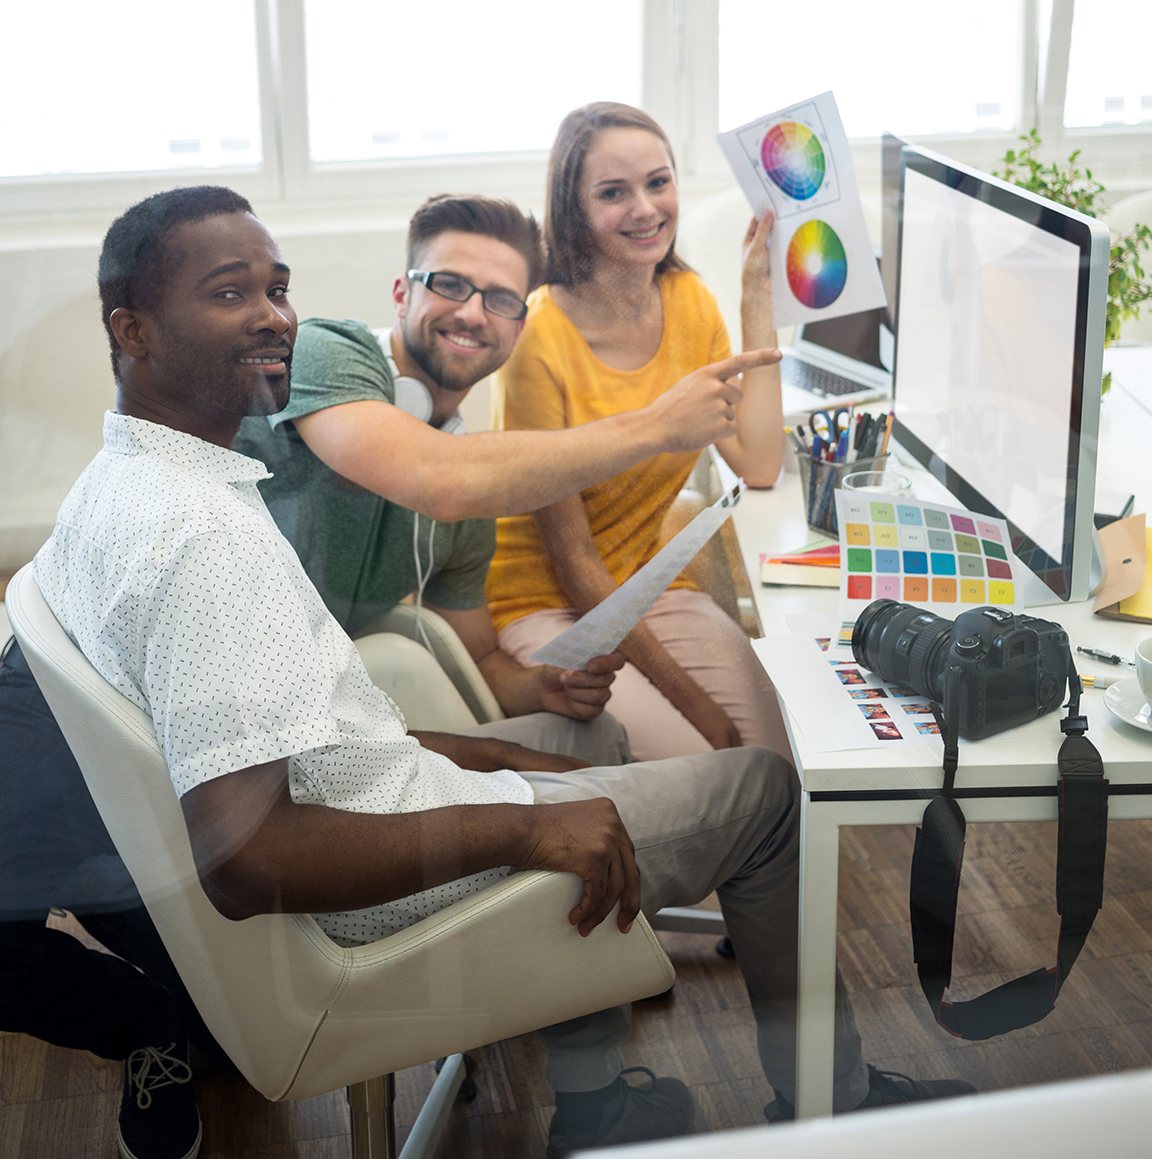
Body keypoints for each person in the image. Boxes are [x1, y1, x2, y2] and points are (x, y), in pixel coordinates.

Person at [32, 185, 971, 1151]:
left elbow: (336, 727)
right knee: (770, 796)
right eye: (233, 294)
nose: (273, 315)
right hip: (373, 894)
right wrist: (522, 830)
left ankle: (597, 1099)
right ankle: (836, 1102)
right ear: (133, 328)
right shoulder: (208, 532)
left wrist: (503, 753)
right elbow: (249, 858)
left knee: (585, 735)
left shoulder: (133, 484)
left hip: (370, 791)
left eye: (278, 289)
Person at [234, 193, 635, 739]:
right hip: (231, 703)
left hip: (326, 708)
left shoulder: (467, 479)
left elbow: (484, 664)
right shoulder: (325, 351)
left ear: (518, 328)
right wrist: (652, 427)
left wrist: (542, 687)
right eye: (449, 285)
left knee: (602, 735)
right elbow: (437, 477)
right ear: (402, 294)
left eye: (500, 300)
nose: (472, 312)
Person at [487, 103, 790, 761]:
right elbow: (573, 563)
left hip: (647, 587)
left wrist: (757, 298)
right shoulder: (538, 338)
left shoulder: (689, 301)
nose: (646, 209)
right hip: (549, 605)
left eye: (658, 182)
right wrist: (694, 701)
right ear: (573, 211)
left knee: (780, 764)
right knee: (709, 769)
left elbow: (760, 463)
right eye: (613, 193)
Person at [0, 630, 227, 1159]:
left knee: (236, 1047)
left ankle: (72, 876)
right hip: (52, 694)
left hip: (102, 717)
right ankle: (143, 1021)